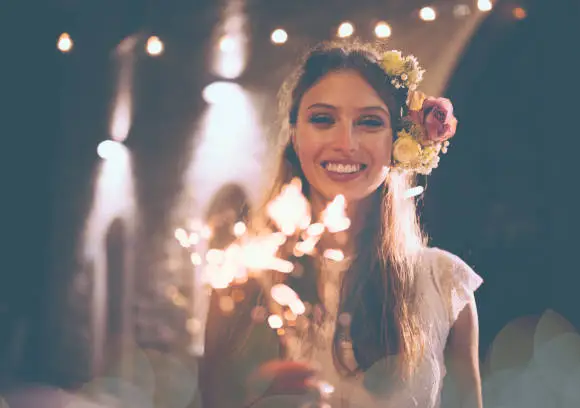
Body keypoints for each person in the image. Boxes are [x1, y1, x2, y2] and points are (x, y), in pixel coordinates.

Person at [199, 40, 483, 408]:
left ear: (397, 142)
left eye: (369, 122)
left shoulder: (444, 285)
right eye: (322, 119)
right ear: (295, 135)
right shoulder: (243, 279)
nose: (345, 142)